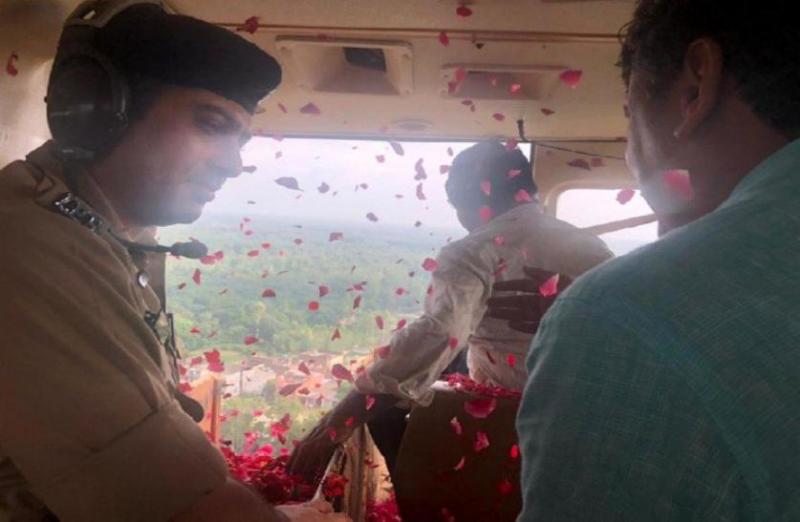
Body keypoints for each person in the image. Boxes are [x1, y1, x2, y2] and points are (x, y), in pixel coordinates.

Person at [0, 2, 347, 521]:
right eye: (211, 124)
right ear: (95, 110)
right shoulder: (28, 241)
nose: (233, 163)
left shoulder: (105, 232)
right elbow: (177, 507)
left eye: (240, 140)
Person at [509, 0, 800, 520]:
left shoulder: (619, 319)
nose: (630, 157)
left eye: (630, 117)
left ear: (694, 88)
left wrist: (627, 314)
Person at [288, 141, 613, 482]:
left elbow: (439, 334)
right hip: (587, 409)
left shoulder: (472, 251)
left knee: (386, 412)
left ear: (466, 201)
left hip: (514, 409)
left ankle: (420, 498)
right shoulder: (591, 246)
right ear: (530, 191)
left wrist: (335, 425)